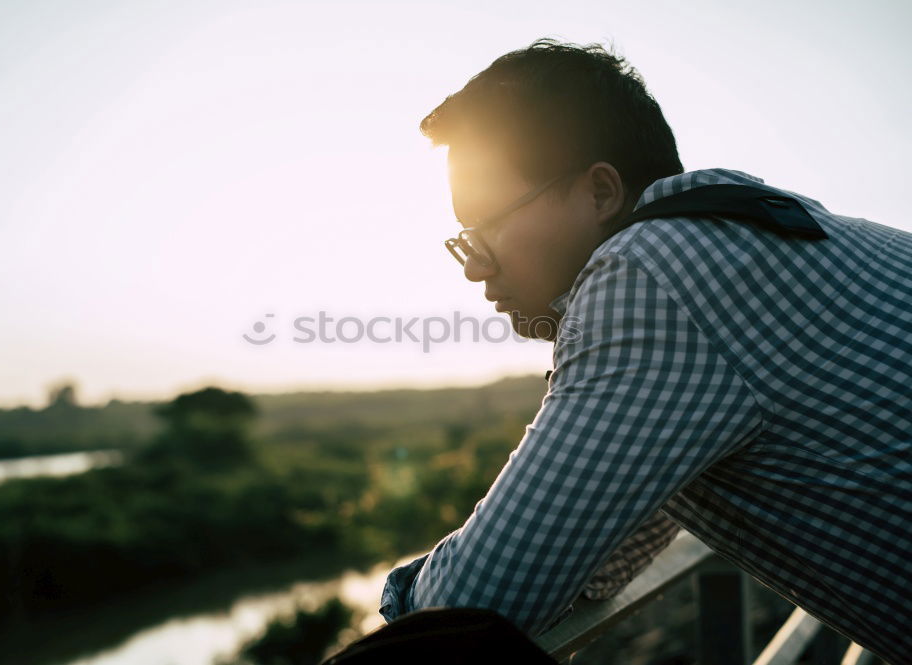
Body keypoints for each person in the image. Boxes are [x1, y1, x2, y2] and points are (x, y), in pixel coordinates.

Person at [378, 39, 911, 664]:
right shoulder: (764, 231)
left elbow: (470, 607)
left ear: (601, 193)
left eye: (483, 228)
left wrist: (400, 596)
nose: (474, 269)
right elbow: (611, 541)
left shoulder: (650, 275)